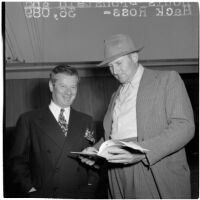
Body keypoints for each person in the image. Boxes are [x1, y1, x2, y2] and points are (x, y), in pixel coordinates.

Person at [80, 34, 195, 199]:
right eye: (110, 66)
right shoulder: (115, 95)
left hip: (152, 167)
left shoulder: (167, 79)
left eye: (119, 63)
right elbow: (113, 135)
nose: (114, 71)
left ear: (134, 57)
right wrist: (96, 151)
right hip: (116, 170)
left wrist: (143, 152)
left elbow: (185, 127)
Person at [8, 65, 99, 198]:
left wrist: (91, 185)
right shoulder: (29, 120)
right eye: (63, 86)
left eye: (73, 87)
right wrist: (30, 190)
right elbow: (17, 161)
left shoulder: (87, 120)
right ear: (51, 86)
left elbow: (95, 159)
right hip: (45, 194)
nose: (69, 92)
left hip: (80, 194)